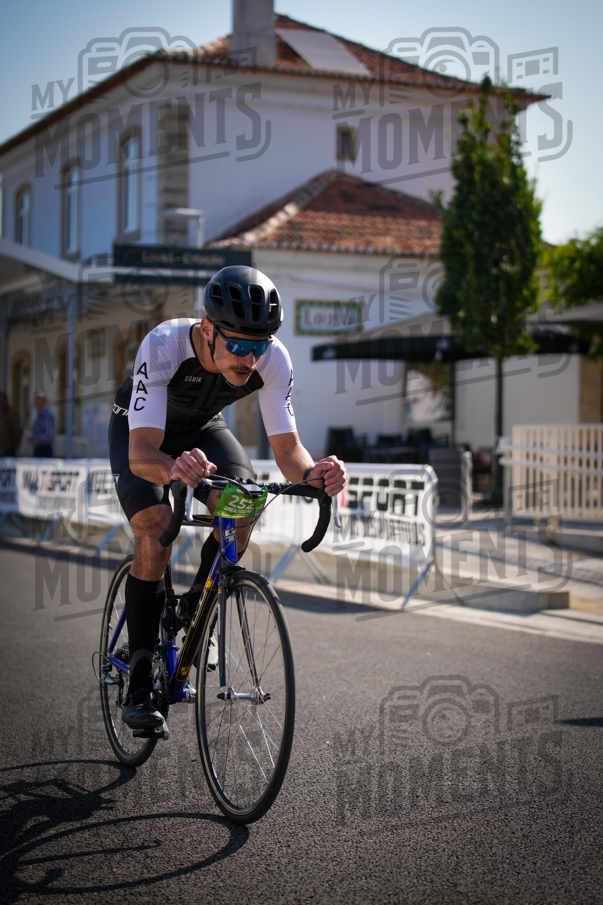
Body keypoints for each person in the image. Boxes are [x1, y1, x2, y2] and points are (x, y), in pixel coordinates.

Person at [109, 265, 347, 731]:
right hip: (141, 434)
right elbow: (141, 453)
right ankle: (139, 680)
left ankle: (198, 603)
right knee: (156, 528)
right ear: (206, 331)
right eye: (237, 345)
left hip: (204, 431)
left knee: (244, 502)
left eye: (257, 347)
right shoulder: (164, 345)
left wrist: (315, 474)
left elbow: (286, 451)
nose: (248, 359)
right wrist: (173, 468)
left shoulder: (273, 360)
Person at [29, 392, 55, 458]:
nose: (35, 403)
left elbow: (49, 434)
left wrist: (37, 439)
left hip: (44, 449)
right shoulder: (39, 413)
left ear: (44, 401)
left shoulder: (46, 414)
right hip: (39, 448)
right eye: (35, 400)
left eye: (37, 400)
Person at [0, 392, 23, 456]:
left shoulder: (11, 414)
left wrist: (15, 445)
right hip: (3, 449)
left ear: (5, 401)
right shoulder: (3, 414)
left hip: (9, 450)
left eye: (1, 402)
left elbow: (18, 430)